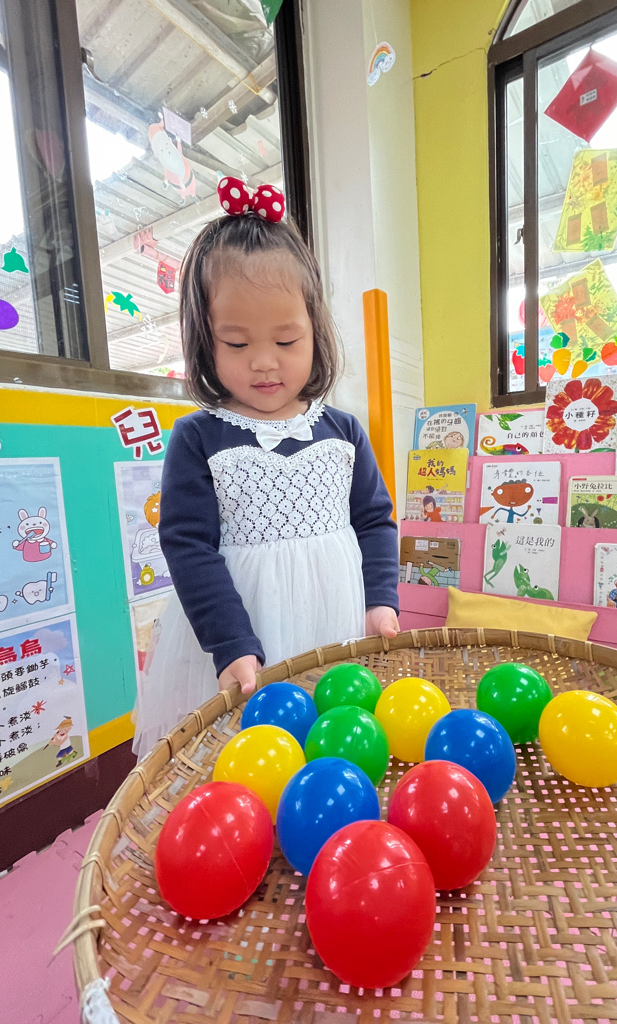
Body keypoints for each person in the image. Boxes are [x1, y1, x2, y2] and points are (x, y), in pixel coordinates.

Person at [132, 181, 399, 758]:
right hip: (242, 630)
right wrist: (230, 641)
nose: (263, 362)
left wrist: (381, 599)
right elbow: (188, 546)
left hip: (336, 616)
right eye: (235, 343)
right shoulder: (198, 437)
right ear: (205, 342)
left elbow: (375, 522)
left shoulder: (344, 430)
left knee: (333, 739)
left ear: (315, 330)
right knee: (248, 754)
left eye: (286, 339)